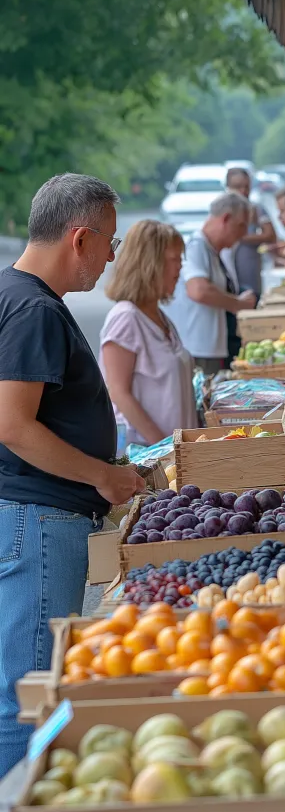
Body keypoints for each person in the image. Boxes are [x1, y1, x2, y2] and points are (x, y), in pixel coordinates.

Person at [0, 173, 145, 776]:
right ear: (80, 238)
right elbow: (13, 425)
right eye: (110, 241)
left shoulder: (15, 293)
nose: (112, 257)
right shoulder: (34, 309)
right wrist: (101, 476)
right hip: (38, 520)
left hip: (30, 518)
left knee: (27, 684)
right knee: (29, 694)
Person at [100, 219, 197, 447]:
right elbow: (118, 393)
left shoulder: (160, 316)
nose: (180, 268)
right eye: (174, 259)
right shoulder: (126, 318)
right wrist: (164, 447)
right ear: (150, 263)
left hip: (176, 452)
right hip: (149, 454)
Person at [164, 192, 256, 375]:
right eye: (241, 225)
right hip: (197, 349)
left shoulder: (211, 250)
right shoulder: (196, 247)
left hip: (208, 348)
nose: (244, 233)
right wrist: (238, 304)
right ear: (226, 219)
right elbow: (198, 290)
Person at [222, 167, 276, 301]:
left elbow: (271, 235)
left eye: (246, 187)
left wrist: (243, 237)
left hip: (250, 276)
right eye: (237, 187)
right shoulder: (220, 211)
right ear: (228, 187)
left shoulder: (256, 209)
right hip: (226, 280)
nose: (243, 191)